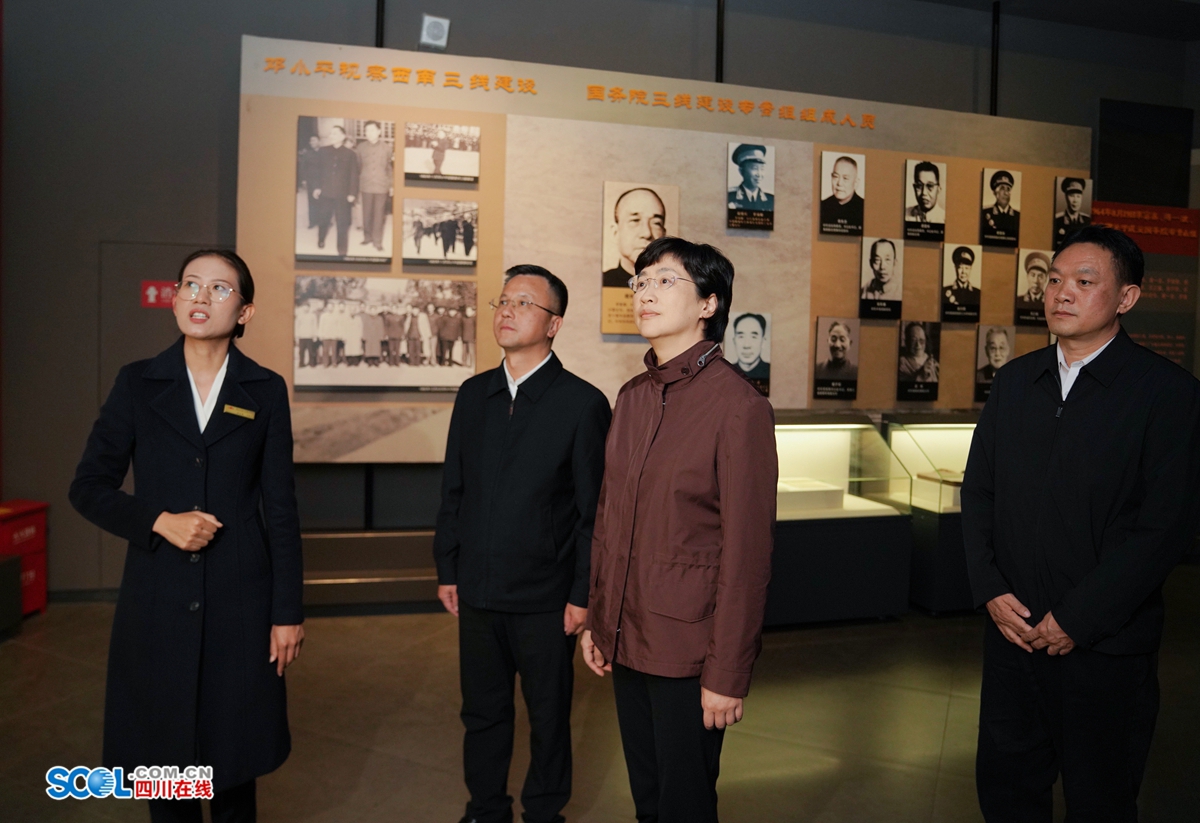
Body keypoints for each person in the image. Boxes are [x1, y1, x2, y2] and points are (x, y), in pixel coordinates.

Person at [961, 225, 1200, 821]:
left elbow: (1164, 529)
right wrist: (989, 588)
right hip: (1013, 637)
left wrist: (1079, 617)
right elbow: (979, 493)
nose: (1061, 293)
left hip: (1105, 648)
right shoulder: (1016, 382)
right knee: (1007, 792)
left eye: (1084, 281)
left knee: (1101, 800)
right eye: (1054, 279)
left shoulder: (1168, 394)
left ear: (1126, 298)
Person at [69, 250, 304, 823]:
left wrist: (287, 612)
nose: (200, 296)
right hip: (158, 597)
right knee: (166, 771)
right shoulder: (137, 383)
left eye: (219, 288)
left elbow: (281, 509)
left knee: (232, 768)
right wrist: (157, 520)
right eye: (191, 284)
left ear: (245, 312)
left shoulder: (265, 389)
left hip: (241, 600)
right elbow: (88, 487)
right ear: (174, 299)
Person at [582, 236, 777, 823]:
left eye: (665, 281)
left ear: (708, 304)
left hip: (688, 652)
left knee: (684, 804)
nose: (645, 292)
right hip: (628, 635)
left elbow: (747, 556)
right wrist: (600, 620)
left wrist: (727, 673)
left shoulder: (739, 406)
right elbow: (610, 521)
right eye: (641, 281)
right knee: (648, 800)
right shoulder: (632, 397)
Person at [435, 265, 611, 823]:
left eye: (524, 303)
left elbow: (593, 513)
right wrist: (448, 568)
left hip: (546, 598)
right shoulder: (474, 394)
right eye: (503, 301)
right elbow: (454, 489)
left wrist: (582, 593)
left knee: (549, 716)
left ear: (553, 324)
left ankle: (544, 812)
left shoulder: (582, 403)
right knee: (482, 713)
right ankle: (484, 808)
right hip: (478, 591)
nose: (507, 311)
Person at [602, 188, 667, 288]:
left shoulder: (673, 285)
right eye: (635, 220)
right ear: (615, 232)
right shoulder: (602, 282)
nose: (647, 233)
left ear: (664, 236)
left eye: (656, 223)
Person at [313, 125, 359, 257]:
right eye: (331, 133)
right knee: (323, 218)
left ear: (343, 136)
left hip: (342, 194)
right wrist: (317, 187)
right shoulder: (323, 151)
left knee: (342, 222)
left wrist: (352, 193)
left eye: (335, 133)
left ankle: (342, 249)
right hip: (326, 192)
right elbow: (317, 171)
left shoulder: (350, 154)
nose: (331, 136)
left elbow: (353, 175)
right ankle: (321, 239)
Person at [355, 121, 393, 252]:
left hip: (381, 186)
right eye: (367, 130)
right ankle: (367, 237)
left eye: (372, 130)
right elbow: (358, 167)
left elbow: (389, 168)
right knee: (366, 214)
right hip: (366, 185)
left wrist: (391, 185)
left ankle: (377, 241)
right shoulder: (360, 147)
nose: (369, 133)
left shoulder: (387, 148)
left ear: (379, 131)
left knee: (379, 215)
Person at [820, 155, 864, 229]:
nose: (839, 183)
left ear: (856, 183)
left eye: (845, 178)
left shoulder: (864, 208)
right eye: (835, 177)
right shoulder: (822, 206)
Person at [727, 144, 773, 211]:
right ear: (741, 171)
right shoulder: (729, 196)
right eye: (754, 168)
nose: (759, 174)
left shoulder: (771, 199)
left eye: (762, 169)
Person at [981, 170, 1019, 241]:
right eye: (1002, 189)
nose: (1006, 193)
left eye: (1008, 189)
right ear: (995, 192)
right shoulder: (985, 213)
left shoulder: (1017, 216)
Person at [731, 313, 770, 380]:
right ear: (734, 341)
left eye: (753, 337)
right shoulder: (727, 371)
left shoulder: (772, 371)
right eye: (741, 337)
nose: (746, 345)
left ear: (763, 341)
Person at [1054, 178, 1091, 247]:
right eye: (1072, 196)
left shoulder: (1087, 220)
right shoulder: (1058, 220)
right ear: (1066, 197)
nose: (1075, 200)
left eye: (1078, 196)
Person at [298, 134, 323, 229]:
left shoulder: (324, 153)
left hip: (323, 181)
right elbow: (303, 168)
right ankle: (312, 221)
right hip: (311, 181)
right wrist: (304, 180)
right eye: (311, 141)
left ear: (319, 141)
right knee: (312, 201)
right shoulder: (307, 154)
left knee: (323, 201)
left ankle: (324, 221)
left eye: (314, 140)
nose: (312, 142)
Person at [294, 301, 320, 367]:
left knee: (311, 351)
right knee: (301, 351)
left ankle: (312, 363)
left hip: (310, 336)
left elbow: (315, 326)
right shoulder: (299, 316)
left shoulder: (312, 316)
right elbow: (296, 326)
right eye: (304, 307)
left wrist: (315, 335)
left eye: (307, 307)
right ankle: (301, 363)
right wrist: (296, 336)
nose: (306, 308)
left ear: (309, 307)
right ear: (303, 307)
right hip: (302, 336)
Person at [317, 299, 342, 367]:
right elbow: (321, 325)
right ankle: (325, 363)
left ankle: (334, 362)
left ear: (333, 307)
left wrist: (339, 334)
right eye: (329, 307)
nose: (330, 308)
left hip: (334, 335)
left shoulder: (336, 316)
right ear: (327, 307)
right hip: (326, 335)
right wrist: (320, 334)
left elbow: (338, 326)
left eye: (331, 307)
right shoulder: (323, 316)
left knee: (334, 350)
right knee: (325, 350)